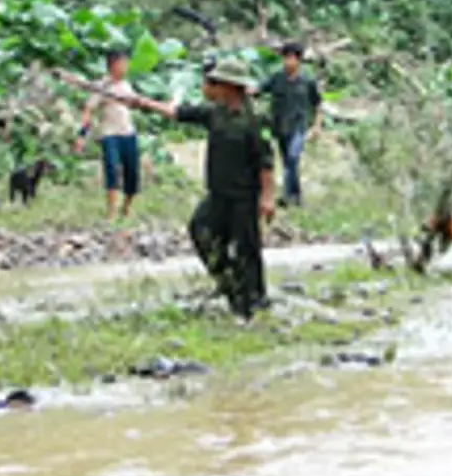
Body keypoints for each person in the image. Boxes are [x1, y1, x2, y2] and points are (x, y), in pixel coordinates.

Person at [96, 57, 276, 319]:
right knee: (200, 230)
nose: (208, 87)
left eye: (213, 83)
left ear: (229, 86)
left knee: (247, 248)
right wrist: (141, 103)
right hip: (218, 193)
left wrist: (268, 198)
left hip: (244, 196)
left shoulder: (254, 120)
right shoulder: (215, 113)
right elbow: (176, 112)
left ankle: (253, 301)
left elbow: (266, 163)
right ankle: (230, 285)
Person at [73, 49, 142, 222]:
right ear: (112, 65)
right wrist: (82, 135)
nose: (125, 68)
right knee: (112, 169)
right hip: (109, 134)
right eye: (122, 64)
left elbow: (134, 105)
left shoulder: (126, 86)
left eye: (126, 64)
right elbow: (89, 110)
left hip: (128, 133)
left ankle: (126, 210)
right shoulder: (101, 87)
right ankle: (111, 212)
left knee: (132, 173)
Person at [258, 42, 324, 208]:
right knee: (287, 160)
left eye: (292, 58)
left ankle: (288, 196)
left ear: (299, 60)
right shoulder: (277, 78)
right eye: (286, 58)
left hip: (298, 126)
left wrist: (316, 126)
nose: (288, 62)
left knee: (293, 157)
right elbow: (258, 90)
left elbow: (317, 104)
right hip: (279, 125)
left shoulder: (307, 80)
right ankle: (295, 196)